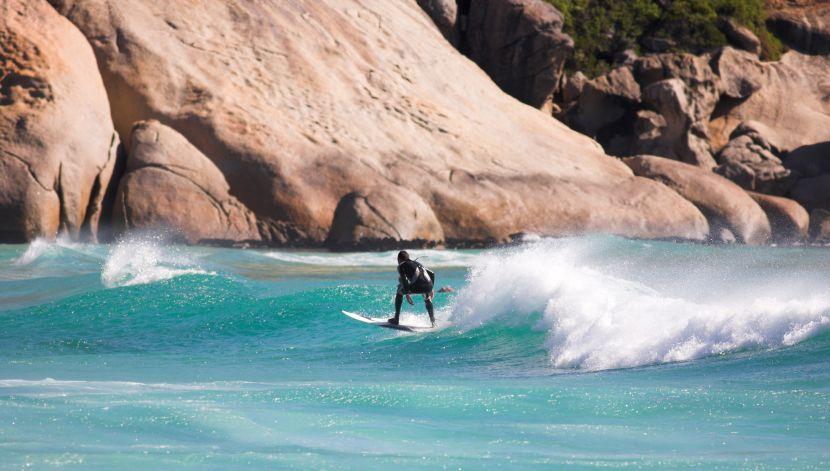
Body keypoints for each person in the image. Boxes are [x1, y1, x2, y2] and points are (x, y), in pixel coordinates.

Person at [389, 250, 435, 327]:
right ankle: (433, 321)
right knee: (427, 298)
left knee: (399, 292)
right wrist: (431, 289)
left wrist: (407, 293)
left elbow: (404, 281)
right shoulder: (418, 263)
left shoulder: (401, 266)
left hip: (418, 286)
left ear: (398, 259)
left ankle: (396, 319)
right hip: (428, 286)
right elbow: (432, 273)